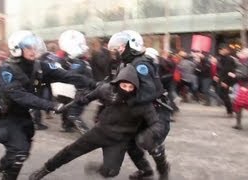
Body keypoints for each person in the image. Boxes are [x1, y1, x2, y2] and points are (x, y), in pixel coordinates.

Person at [29, 64, 163, 180]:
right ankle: (45, 169)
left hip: (119, 140)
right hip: (100, 132)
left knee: (110, 172)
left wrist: (149, 134)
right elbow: (87, 98)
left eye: (130, 87)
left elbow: (156, 123)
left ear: (136, 87)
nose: (127, 89)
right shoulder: (106, 90)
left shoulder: (142, 103)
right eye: (124, 85)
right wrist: (75, 101)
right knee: (70, 151)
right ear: (117, 84)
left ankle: (103, 169)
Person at [0, 30, 96, 180]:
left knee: (24, 150)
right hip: (7, 117)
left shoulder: (39, 66)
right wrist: (51, 105)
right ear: (17, 49)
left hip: (23, 116)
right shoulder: (7, 70)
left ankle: (3, 164)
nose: (32, 50)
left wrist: (94, 84)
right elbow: (21, 96)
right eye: (28, 47)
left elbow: (66, 75)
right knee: (19, 152)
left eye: (33, 47)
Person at [107, 30, 171, 180]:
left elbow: (149, 92)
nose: (118, 50)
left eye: (121, 47)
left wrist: (126, 100)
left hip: (156, 111)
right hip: (139, 111)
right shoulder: (125, 64)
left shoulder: (141, 64)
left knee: (146, 140)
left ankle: (163, 169)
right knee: (128, 141)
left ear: (132, 46)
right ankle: (145, 170)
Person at [56, 30, 93, 133]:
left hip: (83, 91)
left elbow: (71, 74)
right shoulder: (83, 61)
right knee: (70, 110)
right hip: (84, 90)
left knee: (73, 113)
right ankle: (67, 126)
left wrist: (64, 67)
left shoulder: (79, 62)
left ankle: (86, 133)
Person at [217, 44, 237, 117]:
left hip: (226, 80)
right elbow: (220, 70)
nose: (220, 51)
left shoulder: (228, 59)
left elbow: (227, 71)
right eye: (220, 50)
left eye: (222, 49)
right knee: (222, 94)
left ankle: (231, 110)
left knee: (224, 95)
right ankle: (231, 108)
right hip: (222, 78)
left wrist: (224, 81)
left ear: (226, 50)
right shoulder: (222, 58)